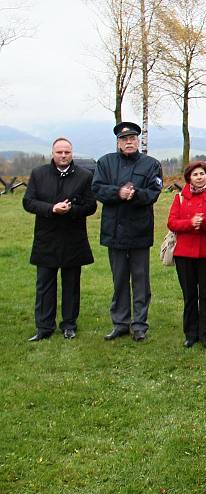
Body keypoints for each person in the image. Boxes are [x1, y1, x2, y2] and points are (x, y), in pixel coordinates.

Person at [92, 121, 163, 342]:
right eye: (124, 139)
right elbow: (97, 188)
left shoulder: (151, 164)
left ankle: (140, 325)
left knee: (140, 280)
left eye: (132, 138)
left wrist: (135, 194)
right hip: (114, 231)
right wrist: (118, 193)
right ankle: (120, 323)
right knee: (119, 279)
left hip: (140, 230)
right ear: (118, 142)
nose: (129, 141)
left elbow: (154, 191)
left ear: (138, 141)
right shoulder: (105, 162)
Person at [23, 137, 97, 341]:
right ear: (52, 153)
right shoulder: (39, 174)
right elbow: (28, 202)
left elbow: (91, 206)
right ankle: (44, 327)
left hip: (73, 238)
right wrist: (51, 209)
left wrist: (72, 209)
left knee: (71, 284)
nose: (63, 156)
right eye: (59, 152)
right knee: (44, 284)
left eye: (67, 152)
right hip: (46, 238)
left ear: (72, 153)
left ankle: (69, 324)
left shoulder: (84, 176)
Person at [167, 161, 206, 348]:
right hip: (185, 255)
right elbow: (172, 222)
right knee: (189, 295)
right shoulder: (180, 198)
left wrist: (205, 223)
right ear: (189, 178)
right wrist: (190, 223)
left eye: (202, 174)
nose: (199, 177)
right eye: (195, 174)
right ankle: (190, 333)